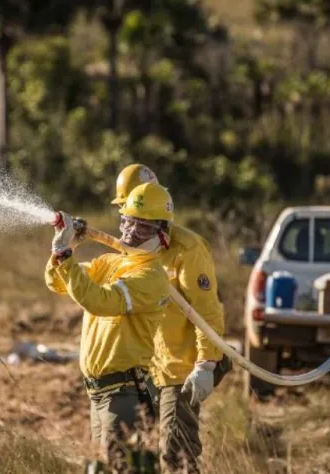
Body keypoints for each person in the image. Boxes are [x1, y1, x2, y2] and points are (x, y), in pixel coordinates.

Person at [45, 183, 173, 471]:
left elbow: (99, 301)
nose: (130, 231)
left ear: (162, 236)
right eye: (127, 221)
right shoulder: (110, 261)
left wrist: (66, 254)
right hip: (98, 393)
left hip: (125, 394)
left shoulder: (151, 277)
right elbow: (58, 283)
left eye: (142, 227)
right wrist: (64, 248)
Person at [112, 164, 225, 473]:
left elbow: (208, 311)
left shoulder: (187, 249)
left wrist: (205, 365)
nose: (131, 228)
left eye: (141, 222)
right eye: (125, 215)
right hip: (149, 366)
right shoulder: (133, 247)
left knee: (176, 456)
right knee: (141, 449)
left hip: (182, 368)